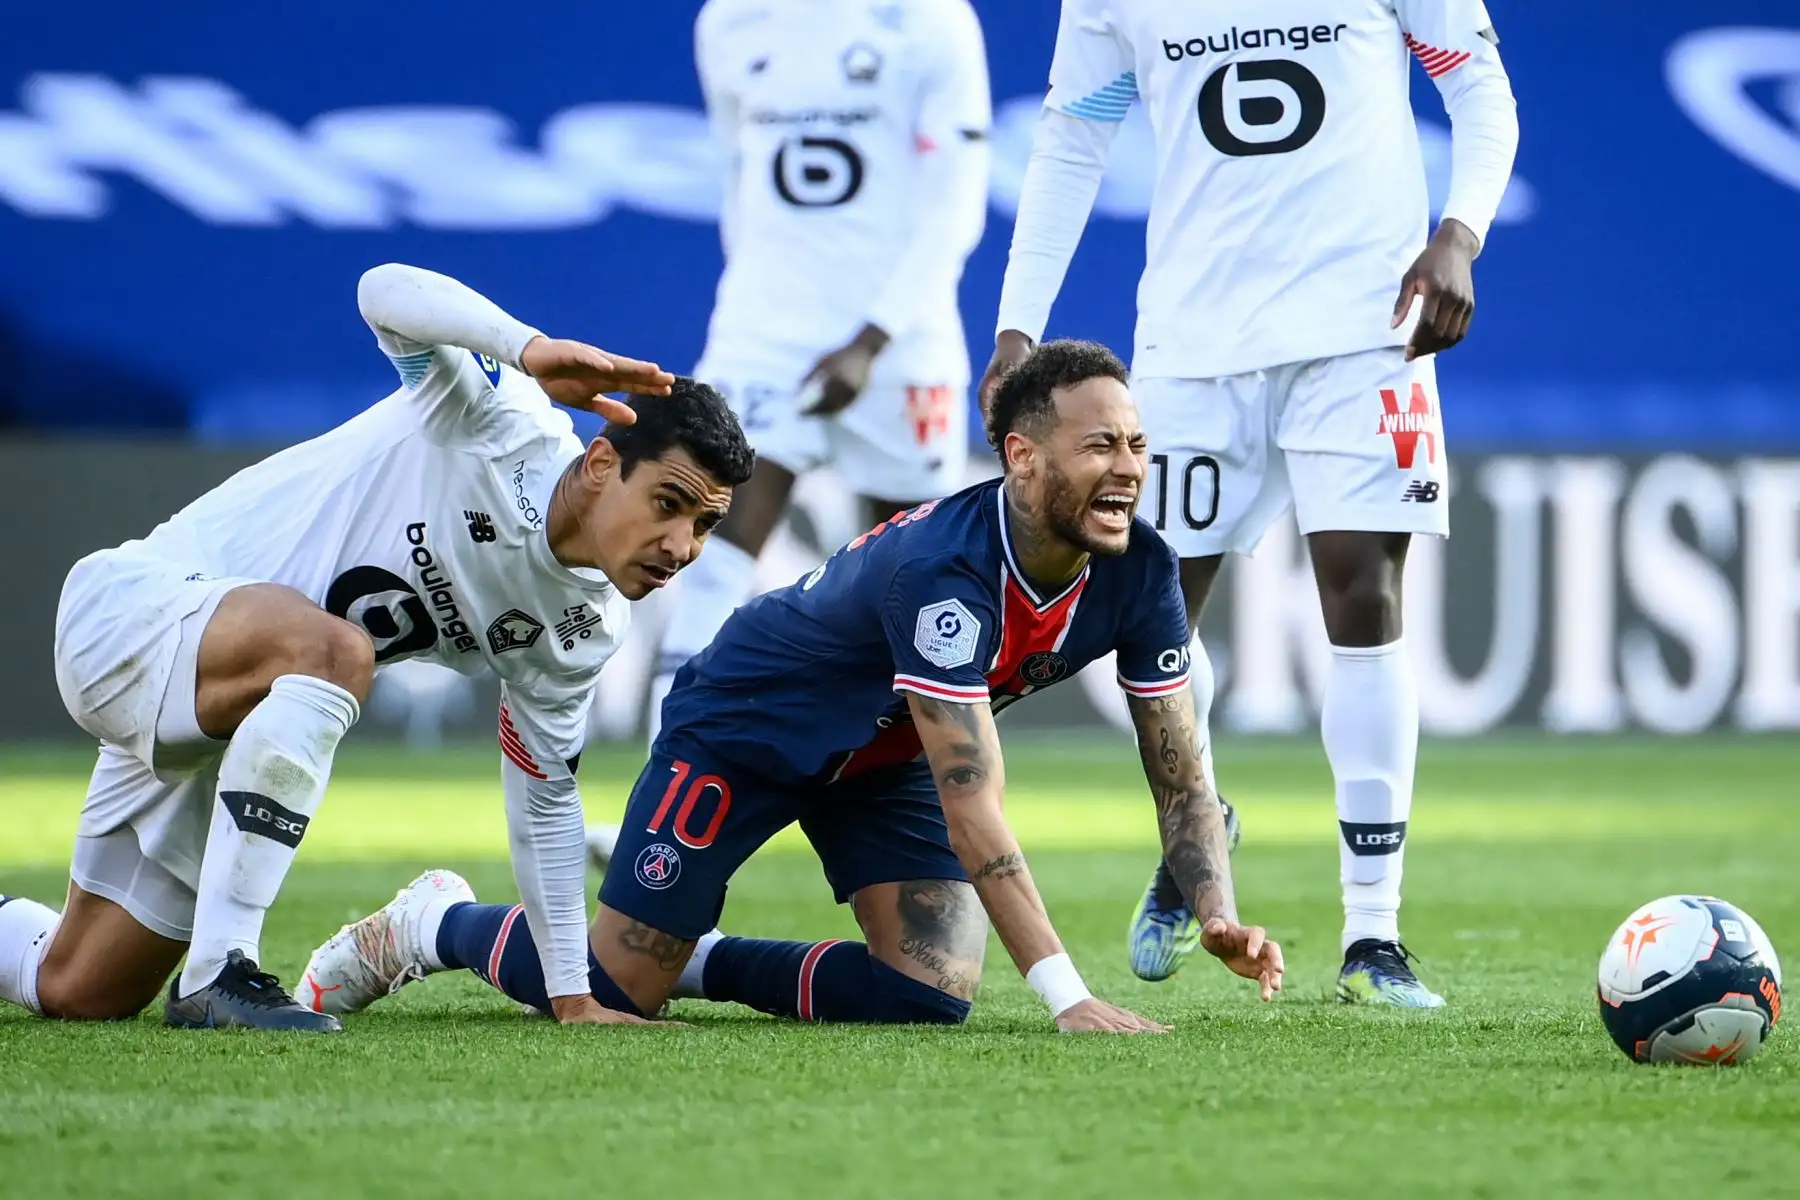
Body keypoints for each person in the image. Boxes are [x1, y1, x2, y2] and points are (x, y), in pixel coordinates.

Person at [298, 340, 1283, 1033]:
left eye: (1138, 446)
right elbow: (972, 801)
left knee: (928, 991)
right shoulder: (946, 572)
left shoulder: (1141, 568)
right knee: (612, 986)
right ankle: (431, 923)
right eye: (1099, 447)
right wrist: (1068, 993)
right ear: (1023, 460)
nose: (1127, 471)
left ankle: (695, 954)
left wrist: (1216, 914)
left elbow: (1184, 775)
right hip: (747, 726)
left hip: (878, 751)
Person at [0, 264, 752, 1032]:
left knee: (82, 987)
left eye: (704, 525)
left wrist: (572, 996)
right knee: (338, 653)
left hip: (220, 714)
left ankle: (154, 966)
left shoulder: (584, 627)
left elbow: (544, 798)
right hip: (137, 614)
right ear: (601, 466)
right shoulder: (500, 419)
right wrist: (525, 348)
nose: (681, 545)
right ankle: (220, 971)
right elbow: (383, 290)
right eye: (669, 504)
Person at [980, 0, 1519, 1006]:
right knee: (1146, 619)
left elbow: (1478, 85)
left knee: (1362, 597)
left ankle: (1374, 934)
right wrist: (1020, 327)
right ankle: (1201, 825)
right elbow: (1071, 137)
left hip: (1365, 330)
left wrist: (1459, 235)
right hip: (1194, 340)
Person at [643, 0, 994, 742]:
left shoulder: (931, 20)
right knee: (704, 548)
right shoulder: (730, 22)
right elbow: (741, 182)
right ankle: (660, 793)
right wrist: (756, 302)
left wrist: (871, 339)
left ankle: (914, 809)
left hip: (901, 338)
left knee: (919, 591)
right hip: (762, 333)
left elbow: (957, 202)